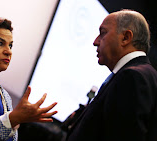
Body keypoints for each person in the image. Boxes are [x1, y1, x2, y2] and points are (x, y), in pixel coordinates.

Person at [66, 9, 157, 141]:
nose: (95, 41)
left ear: (125, 38)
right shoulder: (146, 75)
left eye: (103, 33)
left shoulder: (132, 77)